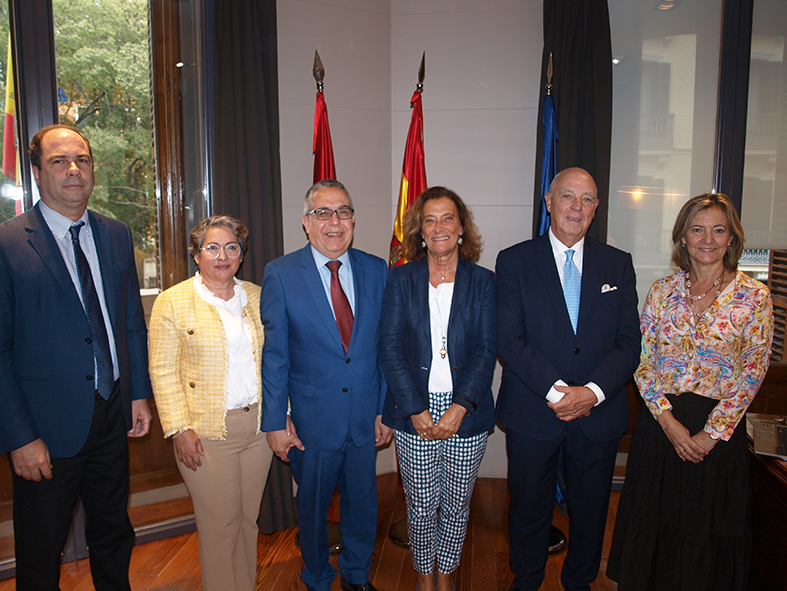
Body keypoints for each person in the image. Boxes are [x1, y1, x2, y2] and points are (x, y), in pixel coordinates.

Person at [0, 124, 152, 590]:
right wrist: (19, 437)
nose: (73, 170)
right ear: (37, 172)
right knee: (41, 551)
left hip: (110, 414)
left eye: (82, 160)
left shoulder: (116, 233)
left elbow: (129, 322)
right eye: (58, 161)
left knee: (113, 532)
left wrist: (138, 395)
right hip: (44, 429)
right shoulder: (7, 243)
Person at [607, 193, 774, 591]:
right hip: (661, 428)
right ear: (682, 237)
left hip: (716, 439)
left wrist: (708, 434)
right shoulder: (662, 291)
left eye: (719, 230)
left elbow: (752, 373)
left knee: (703, 538)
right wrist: (669, 424)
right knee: (652, 532)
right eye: (698, 229)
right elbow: (642, 360)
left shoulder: (755, 297)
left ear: (733, 238)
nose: (708, 239)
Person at [496, 167, 641, 591]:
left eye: (587, 199)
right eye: (568, 197)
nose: (576, 207)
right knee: (527, 510)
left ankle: (579, 583)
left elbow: (629, 343)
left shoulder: (619, 263)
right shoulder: (514, 260)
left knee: (592, 511)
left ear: (596, 208)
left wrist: (591, 394)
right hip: (533, 410)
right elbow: (509, 338)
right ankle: (526, 581)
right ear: (549, 201)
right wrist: (559, 391)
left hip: (598, 415)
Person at [261, 179, 393, 591]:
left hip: (364, 418)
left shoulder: (376, 269)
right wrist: (275, 422)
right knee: (313, 509)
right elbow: (275, 355)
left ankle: (355, 574)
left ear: (353, 219)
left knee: (363, 506)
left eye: (344, 212)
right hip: (311, 421)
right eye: (323, 212)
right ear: (306, 222)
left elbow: (385, 347)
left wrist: (385, 409)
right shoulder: (281, 274)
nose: (334, 222)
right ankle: (316, 577)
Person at [380, 187, 496, 591]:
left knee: (457, 504)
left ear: (461, 228)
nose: (438, 227)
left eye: (447, 218)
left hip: (467, 410)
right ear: (420, 229)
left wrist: (460, 407)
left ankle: (445, 575)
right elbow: (390, 348)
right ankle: (423, 575)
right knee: (420, 504)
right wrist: (414, 408)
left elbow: (486, 350)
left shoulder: (483, 282)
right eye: (429, 220)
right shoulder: (400, 279)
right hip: (416, 409)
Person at [148, 215, 272, 591]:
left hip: (259, 430)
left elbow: (276, 360)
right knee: (220, 526)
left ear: (241, 254)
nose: (223, 255)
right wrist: (178, 429)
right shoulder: (173, 301)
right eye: (212, 248)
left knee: (247, 520)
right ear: (197, 254)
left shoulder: (257, 295)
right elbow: (162, 371)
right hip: (205, 432)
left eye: (231, 247)